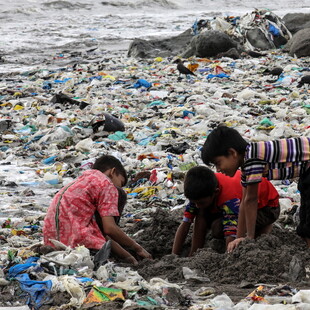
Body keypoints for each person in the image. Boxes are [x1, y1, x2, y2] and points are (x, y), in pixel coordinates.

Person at [201, 125, 310, 252]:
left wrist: (249, 238)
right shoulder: (246, 165)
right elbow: (244, 202)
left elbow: (251, 200)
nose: (218, 170)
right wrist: (239, 238)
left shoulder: (252, 159)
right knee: (305, 218)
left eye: (218, 163)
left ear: (232, 153)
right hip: (306, 171)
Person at [43, 154, 152, 265]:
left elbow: (101, 231)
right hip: (77, 245)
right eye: (121, 182)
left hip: (50, 241)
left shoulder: (83, 179)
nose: (120, 187)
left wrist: (128, 256)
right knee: (121, 194)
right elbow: (109, 229)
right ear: (112, 172)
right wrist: (137, 248)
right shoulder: (106, 184)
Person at [172, 166, 279, 256]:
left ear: (216, 192)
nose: (197, 205)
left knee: (218, 228)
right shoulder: (199, 192)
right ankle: (193, 252)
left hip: (267, 208)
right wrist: (174, 255)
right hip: (237, 203)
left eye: (201, 202)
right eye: (194, 202)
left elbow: (230, 230)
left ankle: (264, 228)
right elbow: (185, 223)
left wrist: (228, 255)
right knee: (201, 213)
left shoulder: (229, 198)